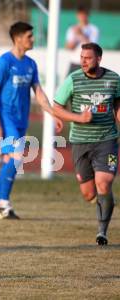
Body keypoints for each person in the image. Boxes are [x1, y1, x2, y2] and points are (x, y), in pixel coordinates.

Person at [0, 22, 62, 220]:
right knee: (17, 158)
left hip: (21, 119)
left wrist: (54, 114)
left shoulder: (30, 64)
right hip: (6, 118)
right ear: (18, 38)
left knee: (9, 161)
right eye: (29, 36)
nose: (33, 39)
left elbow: (39, 92)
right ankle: (3, 202)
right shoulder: (5, 62)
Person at [53, 43, 119, 246]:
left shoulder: (114, 79)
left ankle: (102, 232)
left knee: (104, 182)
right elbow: (57, 106)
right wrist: (77, 118)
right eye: (81, 57)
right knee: (89, 193)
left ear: (98, 59)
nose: (83, 61)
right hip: (80, 141)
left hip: (106, 139)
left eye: (88, 58)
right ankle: (105, 201)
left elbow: (117, 105)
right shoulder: (73, 79)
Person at [65, 6, 99, 74]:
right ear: (77, 16)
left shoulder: (93, 29)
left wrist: (81, 34)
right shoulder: (72, 29)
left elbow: (93, 47)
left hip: (88, 64)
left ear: (88, 15)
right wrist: (75, 37)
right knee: (69, 84)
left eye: (84, 14)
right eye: (80, 15)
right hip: (74, 62)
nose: (82, 17)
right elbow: (68, 47)